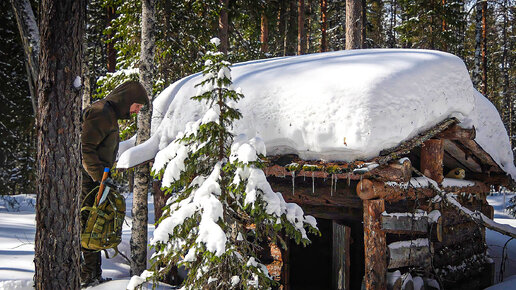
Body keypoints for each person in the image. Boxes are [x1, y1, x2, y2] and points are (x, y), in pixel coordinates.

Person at [80, 80, 148, 286]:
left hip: (95, 180)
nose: (136, 111)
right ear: (127, 99)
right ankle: (87, 276)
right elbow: (85, 148)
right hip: (87, 181)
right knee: (88, 226)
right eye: (137, 106)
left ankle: (92, 274)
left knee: (94, 225)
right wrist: (99, 176)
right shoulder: (101, 112)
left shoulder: (108, 113)